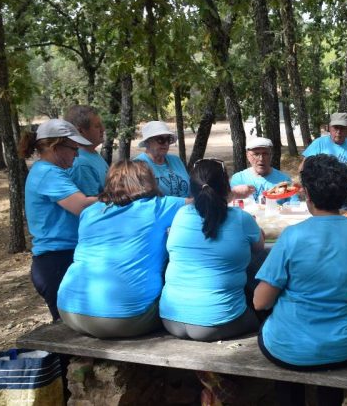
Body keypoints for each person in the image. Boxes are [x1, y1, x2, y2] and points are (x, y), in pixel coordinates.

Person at [253, 154, 347, 406]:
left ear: (308, 196)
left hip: (290, 347)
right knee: (329, 378)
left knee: (283, 354)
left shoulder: (292, 236)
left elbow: (260, 302)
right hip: (346, 345)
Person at [57, 160, 186, 338]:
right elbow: (204, 204)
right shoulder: (160, 206)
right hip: (125, 318)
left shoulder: (91, 211)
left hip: (69, 309)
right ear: (149, 180)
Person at [160, 158, 264, 342]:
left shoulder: (180, 214)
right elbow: (259, 247)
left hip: (170, 319)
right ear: (226, 186)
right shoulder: (241, 219)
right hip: (217, 322)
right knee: (266, 315)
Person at [18, 119, 97, 321]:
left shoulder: (50, 171)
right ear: (55, 147)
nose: (77, 154)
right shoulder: (48, 173)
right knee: (71, 328)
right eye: (73, 149)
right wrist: (119, 197)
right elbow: (82, 206)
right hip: (56, 262)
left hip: (61, 258)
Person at [300, 112, 347, 210]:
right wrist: (306, 186)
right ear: (329, 127)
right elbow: (303, 168)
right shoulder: (319, 143)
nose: (338, 131)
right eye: (335, 127)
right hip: (321, 197)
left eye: (342, 128)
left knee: (346, 219)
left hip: (344, 198)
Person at [230, 137, 298, 204]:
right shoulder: (239, 179)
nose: (261, 159)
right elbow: (230, 205)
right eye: (256, 154)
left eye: (265, 154)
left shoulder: (284, 180)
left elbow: (294, 205)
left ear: (271, 155)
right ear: (248, 156)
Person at [134, 121, 190, 197]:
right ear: (147, 142)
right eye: (160, 139)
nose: (166, 143)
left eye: (168, 139)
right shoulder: (137, 165)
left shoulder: (176, 160)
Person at [65, 105, 108, 196]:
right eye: (97, 126)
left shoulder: (91, 154)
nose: (103, 129)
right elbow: (91, 203)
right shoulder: (81, 164)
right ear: (80, 131)